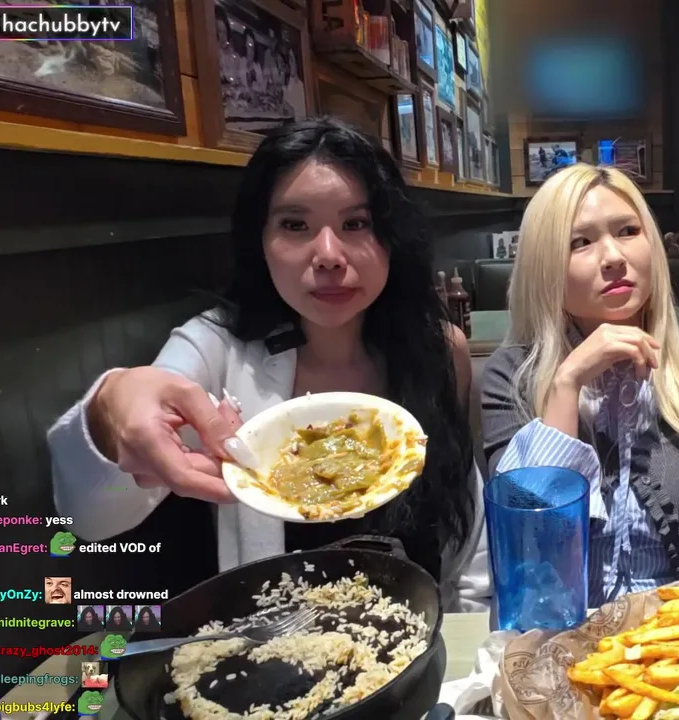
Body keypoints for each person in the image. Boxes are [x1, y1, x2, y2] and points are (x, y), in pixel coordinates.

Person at [47, 119, 484, 610]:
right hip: (270, 646)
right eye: (294, 225)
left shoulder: (440, 350)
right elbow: (90, 517)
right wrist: (110, 408)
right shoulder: (215, 348)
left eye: (356, 223)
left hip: (427, 639)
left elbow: (466, 524)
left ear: (392, 237)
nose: (328, 255)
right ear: (260, 239)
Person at [481, 164, 679, 606]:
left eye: (628, 231)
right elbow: (530, 551)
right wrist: (567, 383)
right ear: (544, 268)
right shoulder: (510, 376)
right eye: (580, 242)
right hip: (560, 624)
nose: (612, 257)